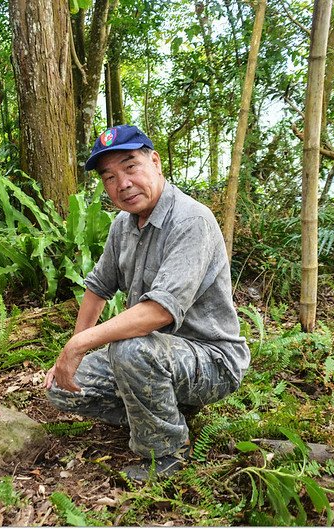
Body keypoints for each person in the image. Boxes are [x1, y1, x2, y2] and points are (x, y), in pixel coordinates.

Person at [44, 124, 250, 481]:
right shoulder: (122, 225)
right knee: (62, 389)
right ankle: (165, 411)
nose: (122, 183)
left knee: (130, 350)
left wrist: (79, 344)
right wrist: (72, 351)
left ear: (155, 162)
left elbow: (158, 311)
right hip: (156, 354)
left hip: (212, 360)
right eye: (109, 177)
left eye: (131, 167)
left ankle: (167, 453)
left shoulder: (191, 220)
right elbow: (97, 288)